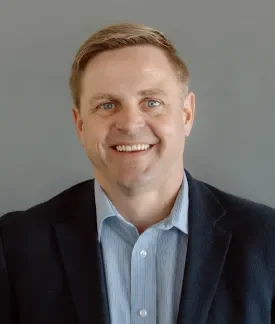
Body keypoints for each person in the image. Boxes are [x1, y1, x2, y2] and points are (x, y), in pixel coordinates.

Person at [0, 23, 275, 324]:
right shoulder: (14, 246)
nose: (130, 124)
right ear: (80, 124)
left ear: (186, 115)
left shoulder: (266, 239)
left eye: (152, 103)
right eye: (107, 105)